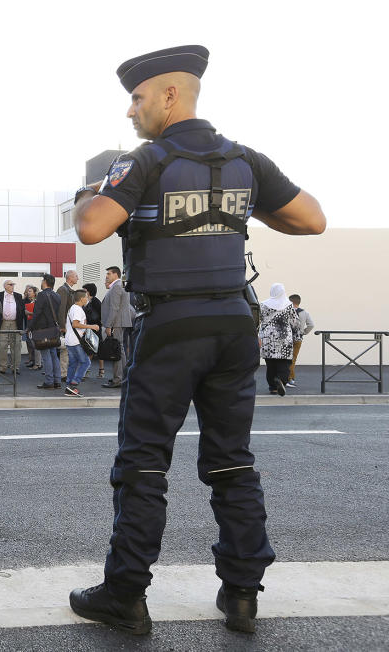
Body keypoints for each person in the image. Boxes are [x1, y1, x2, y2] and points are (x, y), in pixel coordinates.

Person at [69, 44, 326, 635]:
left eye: (136, 99)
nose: (130, 112)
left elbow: (91, 228)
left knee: (143, 464)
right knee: (233, 462)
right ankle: (241, 594)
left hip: (169, 327)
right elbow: (312, 218)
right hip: (235, 325)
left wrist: (90, 191)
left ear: (168, 95)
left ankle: (126, 595)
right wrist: (244, 213)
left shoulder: (147, 160)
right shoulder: (245, 160)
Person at [259, 284, 300, 396]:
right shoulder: (288, 305)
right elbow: (295, 323)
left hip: (267, 338)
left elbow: (258, 320)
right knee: (284, 363)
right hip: (283, 338)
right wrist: (297, 335)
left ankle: (273, 387)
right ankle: (281, 380)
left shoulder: (262, 305)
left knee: (270, 364)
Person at [64, 289, 99, 396]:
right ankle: (74, 384)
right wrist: (91, 326)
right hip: (76, 342)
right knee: (86, 362)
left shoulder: (72, 308)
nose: (87, 299)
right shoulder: (78, 309)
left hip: (70, 340)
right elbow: (75, 324)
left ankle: (69, 387)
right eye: (86, 297)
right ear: (82, 298)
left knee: (73, 364)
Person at [100, 266, 130, 388]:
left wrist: (108, 325)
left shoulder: (116, 287)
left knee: (117, 351)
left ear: (115, 275)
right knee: (120, 350)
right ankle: (122, 378)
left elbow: (114, 308)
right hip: (119, 322)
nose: (107, 276)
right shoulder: (119, 286)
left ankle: (118, 379)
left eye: (109, 273)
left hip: (116, 323)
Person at [31, 274, 61, 389]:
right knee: (54, 355)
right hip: (53, 329)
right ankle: (57, 380)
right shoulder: (57, 296)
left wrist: (30, 328)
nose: (41, 282)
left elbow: (36, 313)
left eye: (42, 280)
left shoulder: (42, 295)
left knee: (46, 356)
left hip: (43, 330)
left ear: (45, 282)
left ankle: (49, 381)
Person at [0, 280, 25, 374]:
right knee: (2, 345)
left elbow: (21, 311)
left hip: (15, 324)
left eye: (13, 284)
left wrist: (21, 327)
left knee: (16, 346)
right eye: (10, 284)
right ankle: (2, 367)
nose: (12, 286)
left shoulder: (18, 296)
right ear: (5, 286)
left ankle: (15, 367)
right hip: (3, 323)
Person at [57, 269, 80, 381]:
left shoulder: (68, 290)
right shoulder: (63, 290)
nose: (78, 278)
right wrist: (63, 326)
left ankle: (66, 373)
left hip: (70, 325)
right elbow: (61, 310)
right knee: (65, 350)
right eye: (76, 276)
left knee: (68, 349)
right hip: (66, 325)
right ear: (70, 278)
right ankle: (63, 374)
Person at [287, 294, 314, 387]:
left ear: (290, 302)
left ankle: (288, 378)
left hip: (287, 338)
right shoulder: (305, 313)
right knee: (293, 359)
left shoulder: (287, 312)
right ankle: (291, 379)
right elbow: (311, 325)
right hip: (298, 339)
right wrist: (303, 332)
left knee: (285, 358)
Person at [82, 283, 104, 378]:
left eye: (84, 290)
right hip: (89, 327)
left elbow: (101, 314)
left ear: (88, 291)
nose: (83, 292)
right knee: (92, 349)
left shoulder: (96, 302)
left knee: (94, 349)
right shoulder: (86, 301)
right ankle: (99, 370)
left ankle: (87, 370)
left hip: (95, 327)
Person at [23, 285, 41, 369]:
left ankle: (38, 364)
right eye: (28, 291)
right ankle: (34, 362)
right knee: (31, 344)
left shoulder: (37, 302)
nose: (28, 292)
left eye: (30, 291)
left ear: (34, 293)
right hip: (30, 324)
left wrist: (29, 313)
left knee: (36, 345)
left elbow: (39, 314)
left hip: (36, 326)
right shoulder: (30, 302)